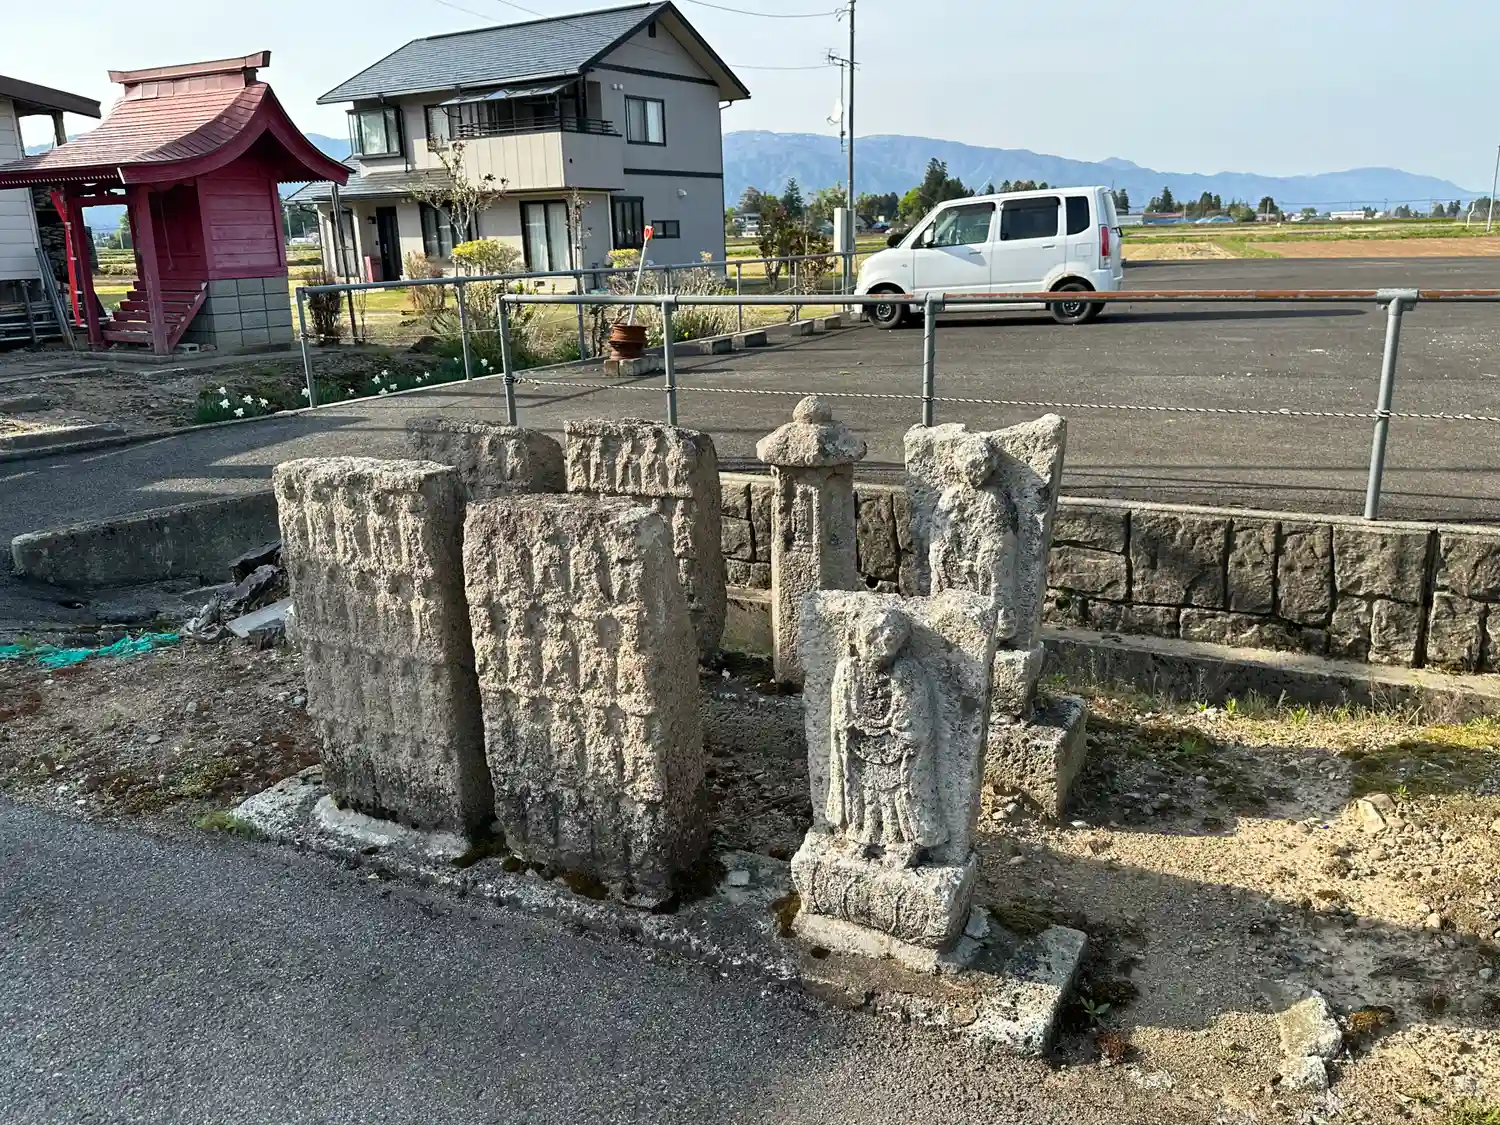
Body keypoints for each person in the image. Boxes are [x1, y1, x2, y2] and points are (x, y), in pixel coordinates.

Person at [826, 606, 944, 868]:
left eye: (890, 637)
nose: (881, 643)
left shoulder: (908, 672)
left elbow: (916, 721)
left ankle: (901, 842)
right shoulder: (848, 670)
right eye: (873, 636)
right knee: (863, 796)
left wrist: (898, 731)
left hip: (899, 753)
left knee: (898, 799)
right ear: (857, 637)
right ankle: (860, 834)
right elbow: (840, 717)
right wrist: (852, 727)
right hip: (859, 749)